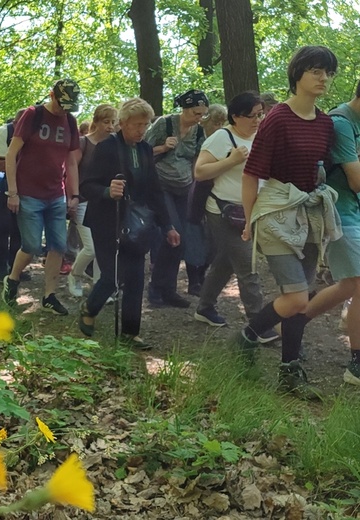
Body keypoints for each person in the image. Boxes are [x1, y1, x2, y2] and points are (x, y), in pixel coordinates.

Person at [239, 45, 341, 399]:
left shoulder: (326, 123)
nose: (323, 78)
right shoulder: (277, 119)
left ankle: (289, 371)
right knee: (297, 298)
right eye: (316, 71)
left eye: (327, 72)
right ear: (297, 74)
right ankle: (248, 336)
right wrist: (249, 219)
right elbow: (252, 174)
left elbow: (323, 170)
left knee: (297, 297)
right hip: (276, 213)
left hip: (309, 214)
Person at [79, 97, 180, 348]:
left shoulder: (145, 148)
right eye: (136, 125)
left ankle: (130, 333)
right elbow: (87, 185)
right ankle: (89, 309)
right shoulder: (107, 147)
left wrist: (168, 225)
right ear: (122, 123)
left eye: (145, 125)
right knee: (112, 276)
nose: (141, 130)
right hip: (107, 221)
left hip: (137, 225)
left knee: (135, 278)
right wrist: (107, 191)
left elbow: (155, 190)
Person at [192, 91, 279, 343]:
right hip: (224, 212)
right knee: (247, 265)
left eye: (260, 115)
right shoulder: (223, 137)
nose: (257, 120)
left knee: (225, 262)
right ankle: (258, 324)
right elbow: (200, 172)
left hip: (251, 210)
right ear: (235, 116)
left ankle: (204, 307)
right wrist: (231, 160)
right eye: (252, 116)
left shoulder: (260, 136)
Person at [290, 78, 360, 386]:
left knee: (349, 286)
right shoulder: (341, 123)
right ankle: (356, 363)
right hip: (339, 213)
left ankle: (292, 325)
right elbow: (355, 181)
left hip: (355, 211)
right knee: (357, 284)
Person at [2, 78, 81, 315]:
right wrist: (13, 192)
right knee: (32, 245)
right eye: (60, 103)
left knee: (58, 245)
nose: (63, 109)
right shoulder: (32, 115)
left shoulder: (70, 121)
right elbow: (11, 154)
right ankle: (13, 279)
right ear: (52, 95)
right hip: (28, 194)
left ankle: (49, 296)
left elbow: (71, 161)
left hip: (56, 194)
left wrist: (73, 194)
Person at [145, 89, 209, 306]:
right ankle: (155, 289)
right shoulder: (165, 124)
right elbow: (142, 149)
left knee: (181, 241)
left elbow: (197, 162)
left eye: (202, 114)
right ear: (185, 108)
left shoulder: (199, 133)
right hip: (161, 186)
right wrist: (163, 147)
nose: (199, 118)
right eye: (196, 113)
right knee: (172, 234)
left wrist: (195, 188)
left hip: (184, 189)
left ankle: (169, 291)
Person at [67, 103, 118, 298]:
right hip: (82, 200)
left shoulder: (114, 145)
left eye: (113, 122)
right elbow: (71, 172)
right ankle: (75, 274)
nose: (110, 126)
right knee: (91, 248)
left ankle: (100, 287)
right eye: (106, 122)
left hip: (103, 202)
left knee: (104, 246)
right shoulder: (83, 143)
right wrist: (72, 197)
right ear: (96, 121)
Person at [0, 112, 24, 280]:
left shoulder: (33, 135)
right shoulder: (3, 132)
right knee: (3, 225)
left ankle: (14, 269)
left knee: (18, 228)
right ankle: (1, 266)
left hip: (23, 187)